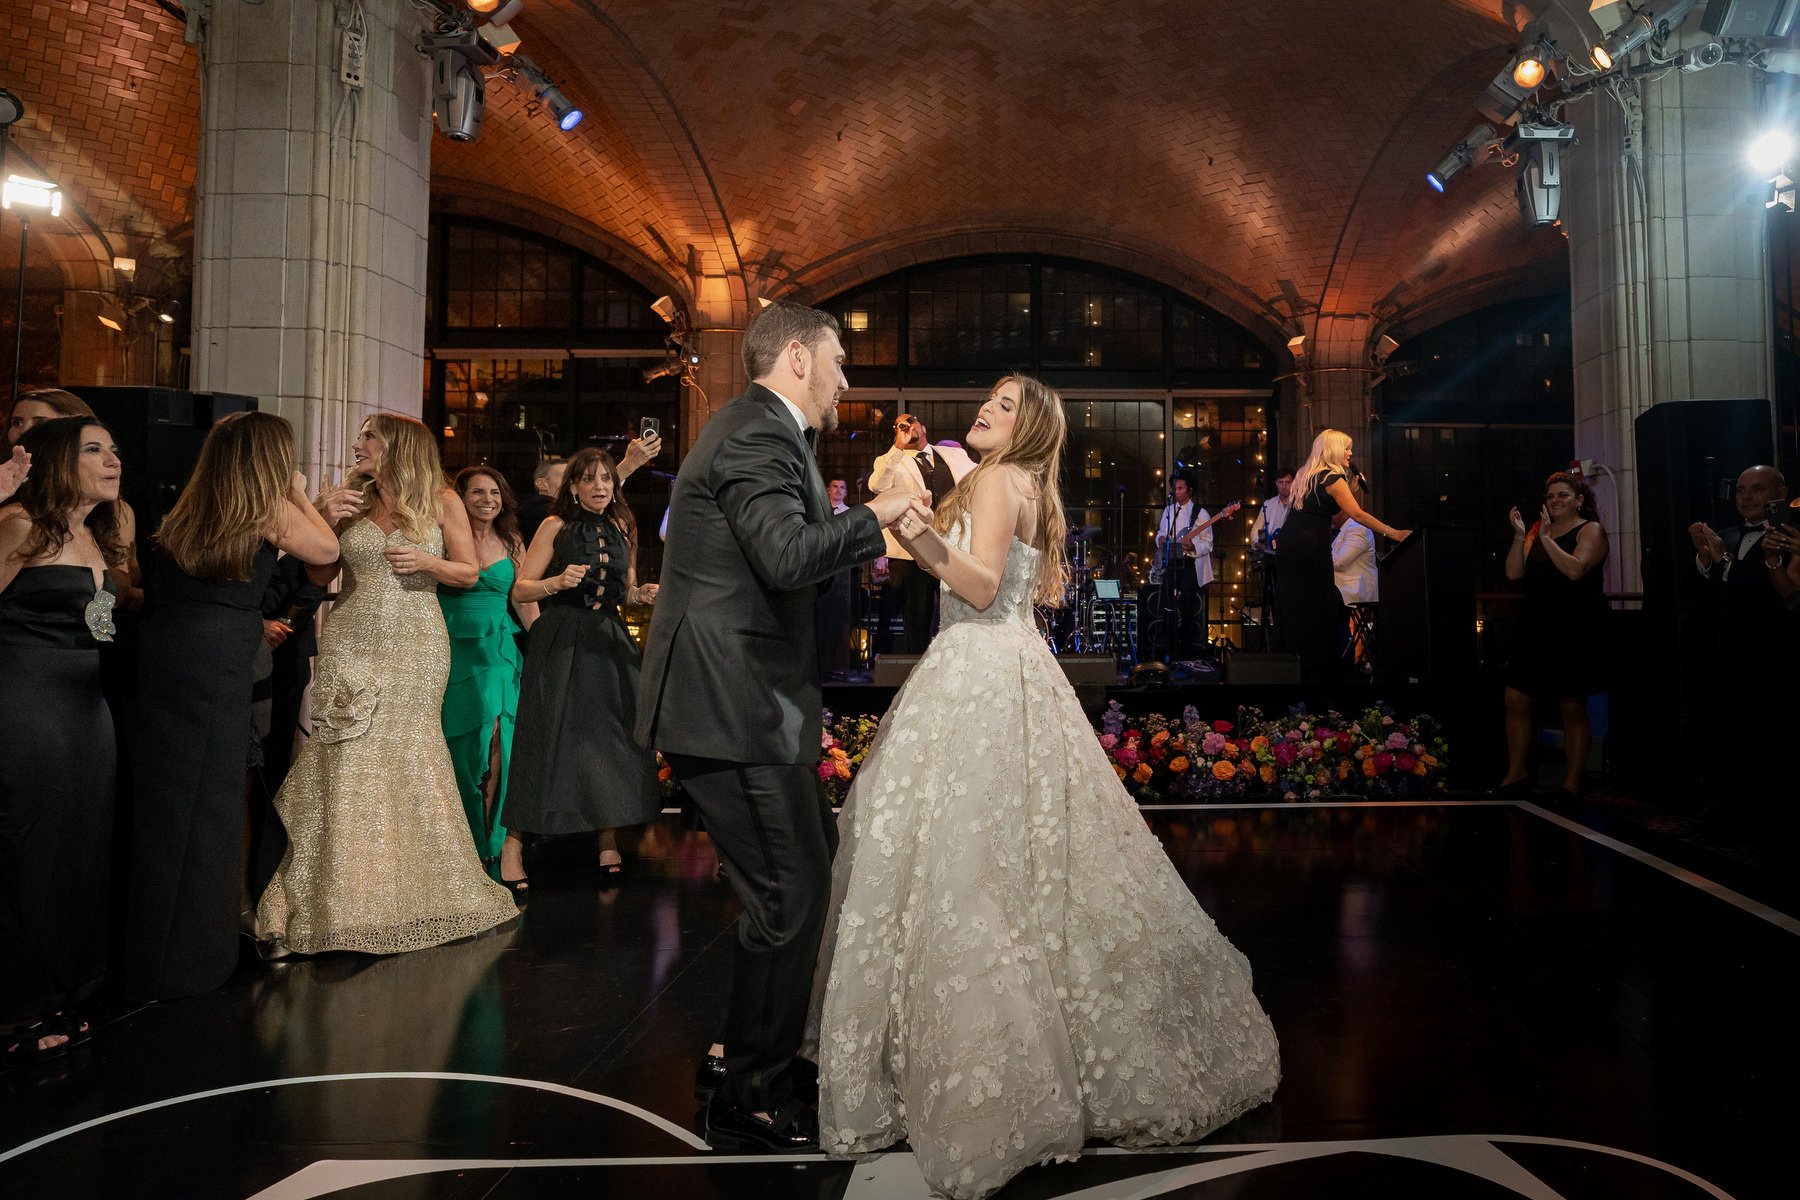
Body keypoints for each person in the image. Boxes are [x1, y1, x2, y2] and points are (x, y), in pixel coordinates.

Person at [813, 375, 1281, 1199]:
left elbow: (983, 587)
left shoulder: (996, 480)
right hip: (1018, 673)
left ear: (1028, 423)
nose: (985, 410)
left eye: (1001, 404)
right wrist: (926, 527)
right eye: (986, 401)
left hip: (976, 675)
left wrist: (922, 534)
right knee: (1033, 865)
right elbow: (1016, 587)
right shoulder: (1029, 487)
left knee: (965, 867)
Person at [636, 301, 914, 1153]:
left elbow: (782, 565)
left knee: (788, 891)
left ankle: (744, 1064)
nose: (845, 380)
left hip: (739, 701)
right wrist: (884, 513)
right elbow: (789, 556)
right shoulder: (759, 433)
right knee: (794, 894)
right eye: (837, 361)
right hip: (733, 705)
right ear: (796, 357)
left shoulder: (762, 431)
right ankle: (750, 1093)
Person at [255, 414, 518, 957]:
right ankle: (332, 901)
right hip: (351, 639)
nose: (357, 445)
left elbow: (469, 573)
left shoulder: (443, 501)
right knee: (345, 760)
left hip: (417, 645)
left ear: (398, 445)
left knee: (405, 757)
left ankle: (408, 895)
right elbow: (321, 575)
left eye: (368, 437)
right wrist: (323, 518)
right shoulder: (349, 497)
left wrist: (426, 561)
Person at [123, 412, 340, 1000]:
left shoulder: (194, 507)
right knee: (212, 799)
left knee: (172, 801)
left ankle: (159, 948)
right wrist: (295, 487)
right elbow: (328, 546)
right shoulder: (265, 510)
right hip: (219, 656)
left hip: (169, 651)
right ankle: (196, 954)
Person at [0, 418, 126, 1064]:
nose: (113, 460)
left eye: (115, 450)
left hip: (86, 710)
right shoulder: (20, 524)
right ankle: (22, 1004)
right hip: (26, 703)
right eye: (95, 450)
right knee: (32, 851)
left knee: (81, 847)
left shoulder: (95, 532)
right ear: (56, 462)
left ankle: (69, 988)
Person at [502, 448, 656, 889]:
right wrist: (556, 582)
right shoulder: (555, 526)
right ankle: (514, 843)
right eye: (589, 480)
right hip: (561, 637)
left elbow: (622, 591)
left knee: (609, 740)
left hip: (607, 639)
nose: (600, 487)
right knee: (546, 737)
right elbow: (521, 590)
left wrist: (641, 594)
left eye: (606, 479)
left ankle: (607, 837)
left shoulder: (623, 526)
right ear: (572, 486)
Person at [440, 466, 536, 877]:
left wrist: (544, 642)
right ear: (460, 497)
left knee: (500, 741)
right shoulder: (442, 537)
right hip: (451, 647)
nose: (487, 499)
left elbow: (524, 599)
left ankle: (494, 842)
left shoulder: (512, 541)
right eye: (477, 492)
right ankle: (464, 842)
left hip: (498, 649)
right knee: (462, 748)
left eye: (494, 492)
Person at [1492, 473, 1610, 802]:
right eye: (1550, 495)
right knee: (1515, 699)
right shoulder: (1536, 531)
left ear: (1579, 500)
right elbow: (1514, 573)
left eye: (1562, 495)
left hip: (1574, 628)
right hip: (1534, 627)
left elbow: (1574, 570)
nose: (1555, 500)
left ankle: (1572, 783)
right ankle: (1516, 774)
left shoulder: (1591, 530)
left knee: (1572, 704)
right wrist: (1521, 537)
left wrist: (1547, 539)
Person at [1275, 430, 1410, 688]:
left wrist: (1352, 487)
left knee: (1297, 610)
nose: (1350, 453)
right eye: (1347, 448)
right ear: (1335, 449)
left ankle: (1297, 668)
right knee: (1318, 608)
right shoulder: (1332, 476)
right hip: (1309, 548)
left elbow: (1331, 510)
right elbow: (1357, 515)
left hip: (1291, 547)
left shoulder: (1308, 474)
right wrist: (1393, 532)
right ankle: (1320, 674)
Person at [870, 414, 974, 652]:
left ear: (922, 427)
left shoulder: (953, 455)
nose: (905, 427)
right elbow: (877, 485)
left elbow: (979, 480)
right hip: (911, 553)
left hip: (953, 547)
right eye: (899, 426)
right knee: (917, 617)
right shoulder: (891, 461)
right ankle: (916, 674)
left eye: (909, 421)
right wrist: (898, 446)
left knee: (959, 612)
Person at [1330, 507, 1379, 671]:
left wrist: (1318, 551)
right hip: (1343, 588)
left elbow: (1339, 562)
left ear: (1343, 511)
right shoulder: (1345, 530)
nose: (1329, 517)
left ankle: (1336, 656)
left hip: (1355, 590)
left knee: (1322, 601)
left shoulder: (1358, 529)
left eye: (1332, 512)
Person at [817, 478, 857, 677]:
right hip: (821, 572)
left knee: (837, 623)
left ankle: (836, 665)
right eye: (835, 487)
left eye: (842, 487)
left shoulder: (850, 514)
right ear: (828, 490)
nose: (838, 490)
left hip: (843, 575)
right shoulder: (820, 512)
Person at [516, 459, 565, 546]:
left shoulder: (526, 510)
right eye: (566, 477)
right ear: (542, 484)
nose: (573, 482)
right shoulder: (544, 511)